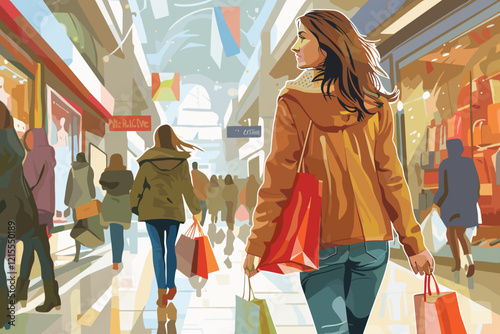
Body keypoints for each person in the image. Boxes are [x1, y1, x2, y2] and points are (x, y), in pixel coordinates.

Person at [243, 10, 433, 334]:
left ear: (326, 46)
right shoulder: (375, 103)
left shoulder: (293, 102)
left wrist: (257, 244)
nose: (294, 46)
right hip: (373, 245)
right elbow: (391, 176)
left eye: (302, 36)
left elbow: (278, 180)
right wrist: (414, 244)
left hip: (320, 242)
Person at [130, 124, 202, 309]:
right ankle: (171, 285)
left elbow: (137, 188)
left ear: (156, 139)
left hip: (151, 212)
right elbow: (187, 189)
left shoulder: (147, 163)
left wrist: (135, 206)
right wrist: (195, 209)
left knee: (157, 249)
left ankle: (161, 290)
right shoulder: (182, 163)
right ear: (172, 138)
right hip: (172, 212)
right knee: (170, 247)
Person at [0, 102, 38, 327]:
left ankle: (5, 313)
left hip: (2, 209)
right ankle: (8, 313)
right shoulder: (14, 143)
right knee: (8, 261)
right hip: (14, 212)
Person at [16, 128, 61, 312]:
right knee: (30, 250)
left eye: (30, 138)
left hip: (33, 211)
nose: (28, 141)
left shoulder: (35, 157)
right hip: (44, 211)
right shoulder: (48, 157)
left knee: (42, 254)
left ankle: (52, 296)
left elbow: (26, 183)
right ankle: (21, 292)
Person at [433, 139, 480, 277]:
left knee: (451, 233)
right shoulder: (469, 162)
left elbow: (443, 189)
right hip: (466, 204)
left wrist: (436, 203)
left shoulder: (445, 164)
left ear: (449, 150)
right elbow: (476, 184)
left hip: (451, 204)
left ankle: (457, 264)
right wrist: (473, 200)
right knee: (461, 233)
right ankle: (470, 261)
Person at [99, 154, 133, 270]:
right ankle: (117, 260)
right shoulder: (128, 174)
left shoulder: (106, 174)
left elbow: (104, 188)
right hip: (123, 204)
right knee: (119, 234)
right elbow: (130, 186)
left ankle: (115, 261)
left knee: (114, 233)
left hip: (110, 204)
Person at [65, 152, 96, 262]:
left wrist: (67, 202)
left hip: (75, 203)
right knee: (86, 226)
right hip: (86, 202)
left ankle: (77, 253)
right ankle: (87, 243)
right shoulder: (89, 169)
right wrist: (93, 196)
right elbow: (90, 184)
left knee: (77, 227)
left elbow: (69, 186)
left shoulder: (72, 169)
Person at [191, 162, 210, 226]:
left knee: (197, 215)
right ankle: (201, 226)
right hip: (203, 198)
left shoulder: (191, 175)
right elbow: (208, 184)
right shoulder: (202, 175)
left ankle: (199, 227)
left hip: (195, 198)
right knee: (203, 214)